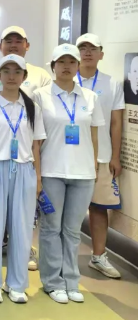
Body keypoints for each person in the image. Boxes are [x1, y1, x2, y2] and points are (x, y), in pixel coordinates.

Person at [33, 44, 104, 304]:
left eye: (71, 62)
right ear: (53, 66)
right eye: (61, 62)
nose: (66, 66)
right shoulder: (40, 96)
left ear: (77, 66)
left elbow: (94, 136)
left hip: (82, 175)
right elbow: (36, 141)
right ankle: (53, 282)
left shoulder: (90, 97)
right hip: (52, 172)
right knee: (51, 228)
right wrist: (37, 176)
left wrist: (94, 167)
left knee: (73, 231)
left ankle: (71, 281)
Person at [0, 26, 51, 270]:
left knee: (22, 227)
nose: (12, 76)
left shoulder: (32, 107)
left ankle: (17, 283)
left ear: (24, 76)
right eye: (6, 72)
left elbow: (36, 145)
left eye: (17, 72)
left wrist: (38, 177)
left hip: (24, 169)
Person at [75, 34, 125, 279]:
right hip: (69, 156)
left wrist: (115, 156)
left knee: (98, 208)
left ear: (101, 54)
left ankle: (98, 256)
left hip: (101, 157)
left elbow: (116, 122)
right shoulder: (64, 80)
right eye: (82, 48)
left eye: (92, 48)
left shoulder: (112, 83)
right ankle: (61, 258)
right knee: (63, 211)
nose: (87, 52)